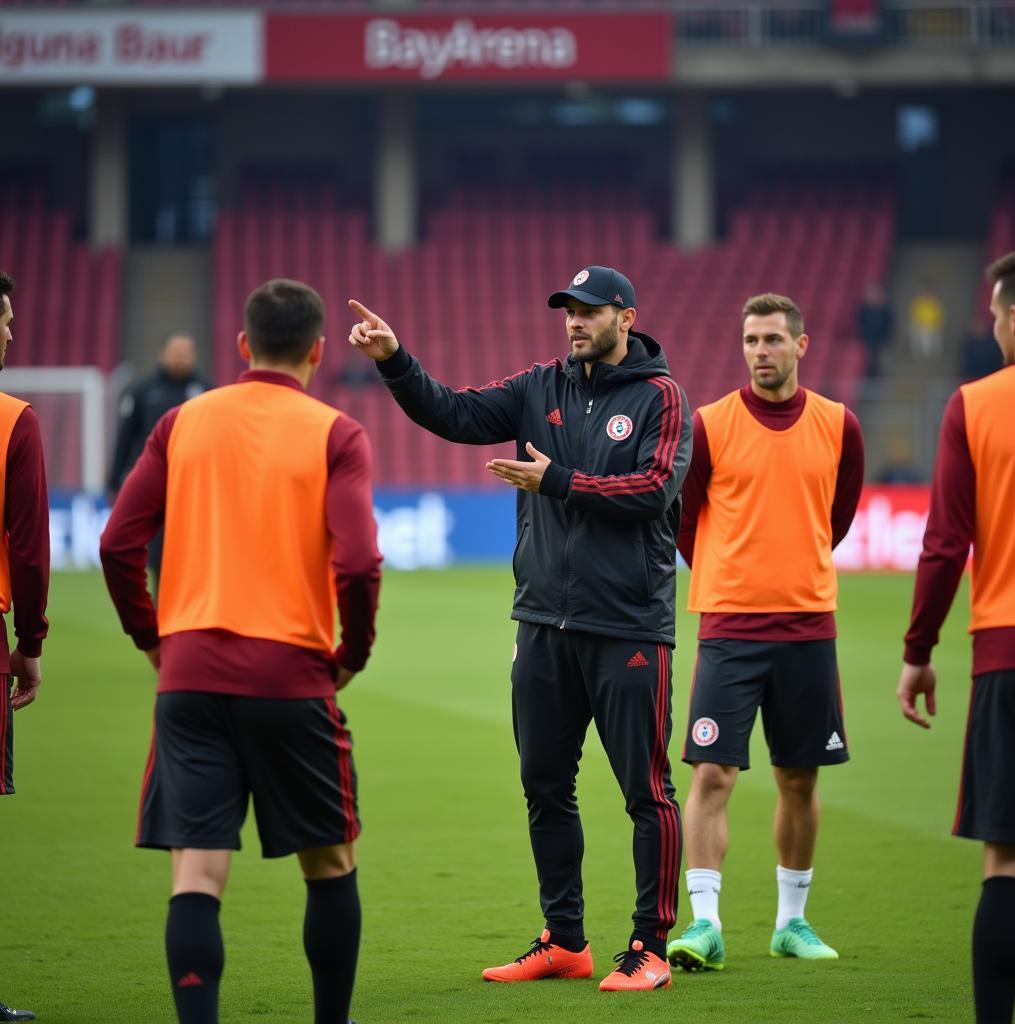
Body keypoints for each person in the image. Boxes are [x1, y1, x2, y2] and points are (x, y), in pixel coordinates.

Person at [348, 265, 690, 992]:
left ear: (626, 317)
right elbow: (456, 415)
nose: (575, 322)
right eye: (568, 310)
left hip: (628, 625)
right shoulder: (541, 386)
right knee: (543, 784)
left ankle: (650, 946)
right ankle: (565, 940)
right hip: (543, 623)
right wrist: (394, 362)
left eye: (590, 311)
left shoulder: (662, 398)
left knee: (645, 791)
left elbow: (656, 491)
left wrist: (556, 481)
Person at [100, 279, 382, 1024]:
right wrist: (353, 651)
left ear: (240, 346)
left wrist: (151, 636)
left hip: (188, 677)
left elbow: (117, 542)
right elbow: (356, 564)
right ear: (319, 351)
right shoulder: (337, 432)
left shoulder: (181, 423)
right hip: (291, 677)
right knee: (329, 862)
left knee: (196, 871)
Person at [668, 293, 864, 974]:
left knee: (799, 780)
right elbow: (685, 520)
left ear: (801, 346)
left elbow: (836, 517)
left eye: (774, 340)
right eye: (751, 339)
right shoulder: (710, 425)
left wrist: (792, 566)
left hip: (809, 627)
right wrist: (733, 576)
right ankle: (704, 925)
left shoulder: (840, 426)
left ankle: (791, 922)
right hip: (729, 628)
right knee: (712, 774)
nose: (761, 351)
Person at [897, 249, 1015, 1024]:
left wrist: (919, 652)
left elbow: (945, 546)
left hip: (1008, 654)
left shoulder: (975, 406)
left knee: (1007, 858)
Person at [0, 272, 51, 1024]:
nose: (11, 333)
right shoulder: (12, 421)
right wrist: (30, 642)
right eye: (3, 319)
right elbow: (30, 549)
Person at [107, 332, 212, 582]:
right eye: (176, 353)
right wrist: (114, 480)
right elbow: (125, 437)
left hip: (193, 484)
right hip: (153, 484)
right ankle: (161, 604)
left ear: (194, 356)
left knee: (194, 552)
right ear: (162, 354)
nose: (181, 358)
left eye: (186, 353)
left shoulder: (207, 390)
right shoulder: (142, 390)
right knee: (157, 552)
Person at [856, 282, 892, 378]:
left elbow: (889, 326)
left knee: (878, 362)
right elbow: (860, 323)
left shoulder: (885, 310)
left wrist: (885, 339)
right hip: (867, 341)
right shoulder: (864, 309)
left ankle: (876, 377)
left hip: (880, 342)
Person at [908, 284, 945, 359]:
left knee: (930, 338)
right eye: (923, 293)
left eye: (927, 294)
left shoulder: (935, 303)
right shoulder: (918, 302)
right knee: (918, 336)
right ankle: (919, 353)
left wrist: (937, 323)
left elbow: (939, 314)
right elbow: (914, 313)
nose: (925, 295)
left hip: (932, 325)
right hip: (920, 324)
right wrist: (916, 322)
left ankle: (930, 354)